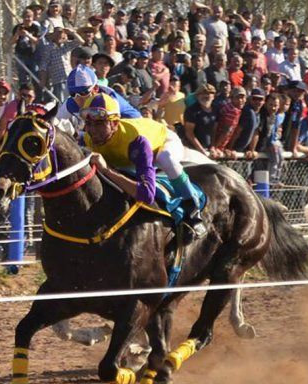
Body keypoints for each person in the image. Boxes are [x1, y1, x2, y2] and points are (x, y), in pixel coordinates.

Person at [80, 93, 207, 239]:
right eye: (88, 124)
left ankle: (193, 212)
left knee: (166, 159)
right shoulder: (88, 137)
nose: (92, 130)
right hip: (128, 156)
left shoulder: (137, 141)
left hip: (164, 141)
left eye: (99, 123)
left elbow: (147, 195)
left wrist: (106, 170)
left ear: (115, 123)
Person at [38, 26, 84, 102]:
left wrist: (72, 32)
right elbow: (44, 65)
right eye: (57, 33)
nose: (59, 35)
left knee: (73, 100)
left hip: (71, 78)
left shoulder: (67, 45)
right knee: (61, 102)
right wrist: (43, 80)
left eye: (61, 33)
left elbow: (81, 41)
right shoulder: (48, 48)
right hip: (58, 80)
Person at [184, 84, 218, 154]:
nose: (206, 96)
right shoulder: (191, 110)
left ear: (213, 96)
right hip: (193, 150)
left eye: (209, 93)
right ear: (197, 96)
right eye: (203, 94)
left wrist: (212, 146)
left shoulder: (216, 109)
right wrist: (201, 150)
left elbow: (214, 130)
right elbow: (189, 133)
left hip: (209, 150)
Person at [11, 7, 42, 85]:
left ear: (32, 18)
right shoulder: (17, 27)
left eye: (29, 17)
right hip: (20, 55)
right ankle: (23, 90)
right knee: (22, 76)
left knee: (35, 74)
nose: (27, 19)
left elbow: (38, 42)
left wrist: (28, 35)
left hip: (33, 55)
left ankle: (36, 92)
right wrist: (17, 34)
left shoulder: (36, 28)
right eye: (25, 17)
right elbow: (11, 42)